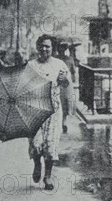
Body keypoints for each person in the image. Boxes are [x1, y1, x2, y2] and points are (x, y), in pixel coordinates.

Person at [27, 34, 72, 190]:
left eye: (48, 46)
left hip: (53, 110)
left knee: (50, 144)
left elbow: (66, 85)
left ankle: (48, 177)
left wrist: (64, 79)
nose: (44, 48)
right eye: (42, 45)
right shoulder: (31, 65)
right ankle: (37, 164)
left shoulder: (60, 65)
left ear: (52, 48)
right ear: (38, 47)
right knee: (36, 143)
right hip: (35, 109)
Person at [56, 42, 76, 133]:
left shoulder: (69, 59)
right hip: (57, 85)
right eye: (61, 49)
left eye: (64, 49)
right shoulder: (55, 60)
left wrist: (71, 81)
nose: (62, 51)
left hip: (66, 86)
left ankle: (63, 123)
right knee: (57, 103)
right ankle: (58, 122)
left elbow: (73, 72)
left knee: (65, 104)